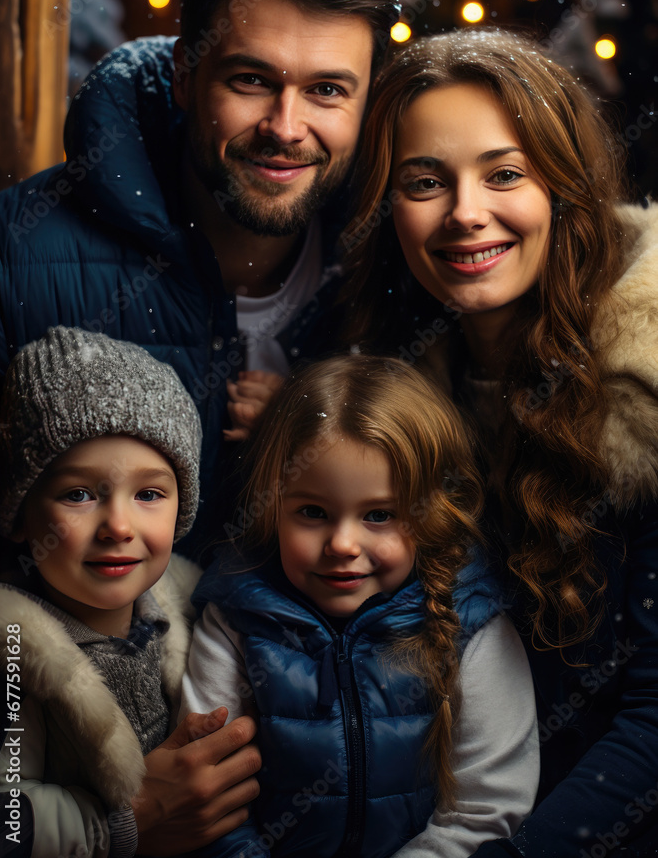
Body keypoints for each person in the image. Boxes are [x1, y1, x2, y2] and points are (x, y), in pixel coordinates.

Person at [0, 0, 400, 563]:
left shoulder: (404, 267)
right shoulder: (11, 252)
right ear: (184, 74)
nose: (285, 127)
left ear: (368, 103)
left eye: (326, 90)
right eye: (251, 81)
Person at [343, 27, 658, 857]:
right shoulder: (393, 384)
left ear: (564, 188)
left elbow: (655, 723)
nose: (464, 212)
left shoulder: (645, 401)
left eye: (504, 173)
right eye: (424, 181)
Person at [181, 354, 539, 858]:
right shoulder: (235, 620)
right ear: (271, 504)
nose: (343, 543)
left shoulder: (471, 624)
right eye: (312, 512)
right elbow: (208, 800)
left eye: (378, 514)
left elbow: (487, 807)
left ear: (431, 512)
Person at [0, 326, 260, 857]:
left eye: (149, 493)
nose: (119, 525)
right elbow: (4, 823)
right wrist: (116, 826)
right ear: (21, 515)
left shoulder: (197, 608)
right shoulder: (14, 653)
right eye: (79, 494)